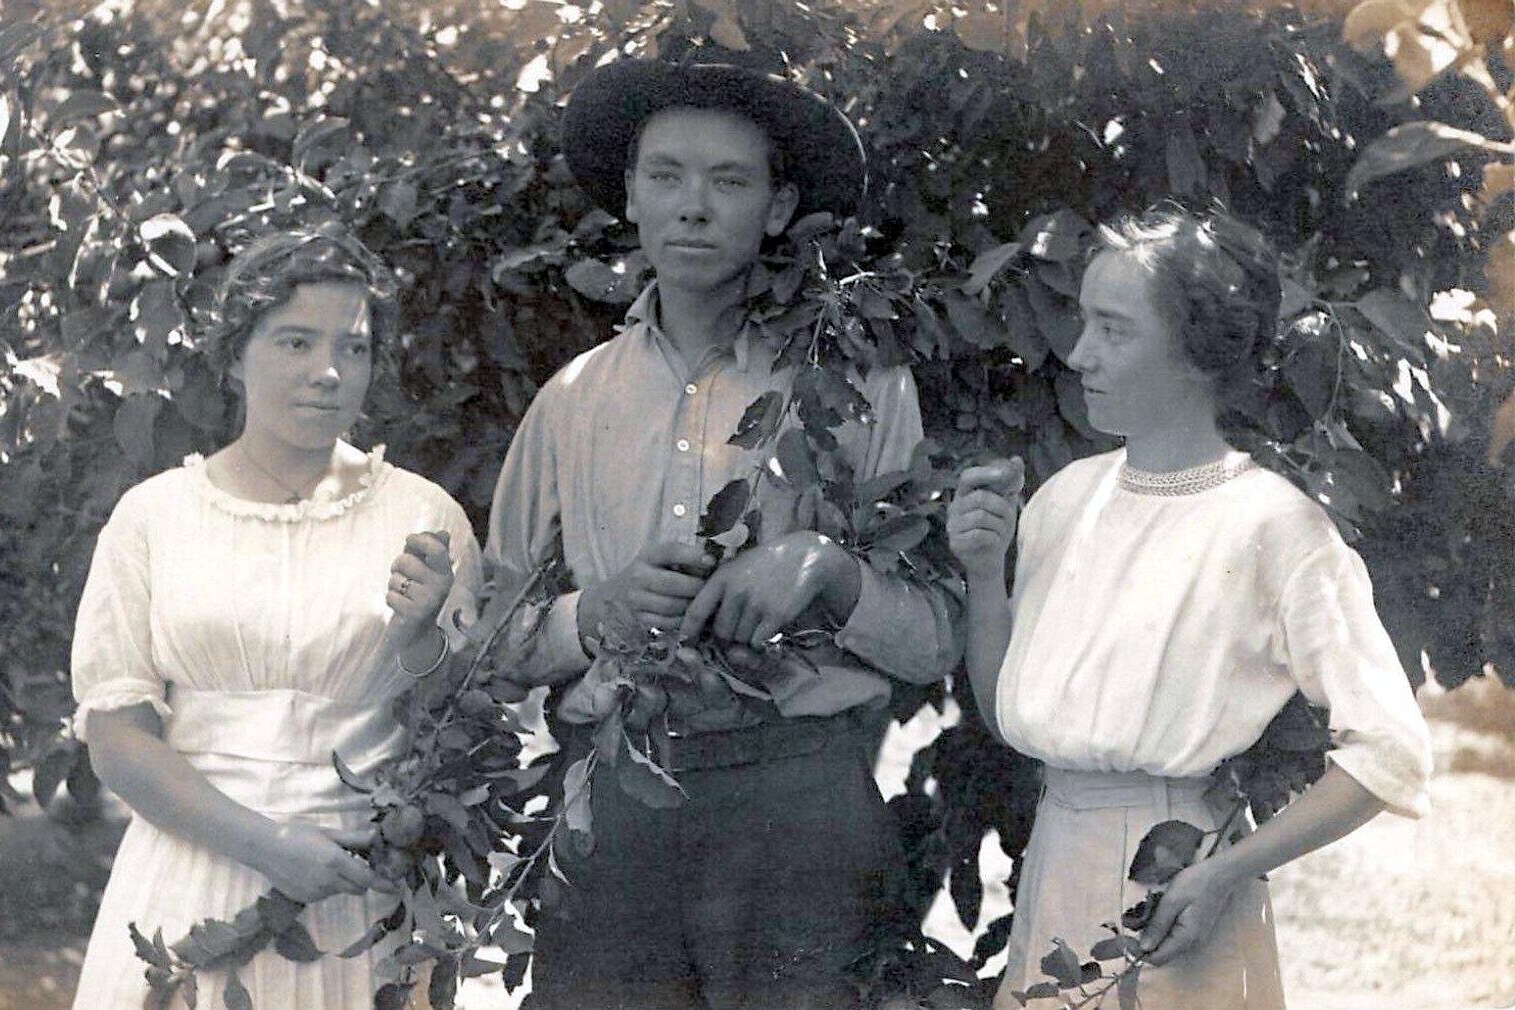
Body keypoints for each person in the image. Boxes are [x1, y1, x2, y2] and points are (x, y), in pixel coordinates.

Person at [487, 56, 962, 1009]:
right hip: (612, 812)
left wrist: (826, 569)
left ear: (780, 208)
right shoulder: (572, 403)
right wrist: (594, 615)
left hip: (799, 809)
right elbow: (485, 645)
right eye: (665, 176)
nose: (692, 207)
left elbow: (937, 637)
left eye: (729, 180)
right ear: (630, 196)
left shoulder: (860, 388)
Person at [946, 207, 1432, 1008]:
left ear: (1198, 351)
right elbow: (1013, 716)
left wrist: (1224, 875)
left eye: (1113, 330)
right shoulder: (1065, 501)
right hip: (1055, 862)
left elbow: (1389, 752)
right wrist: (980, 575)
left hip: (1180, 882)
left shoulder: (1276, 528)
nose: (1078, 354)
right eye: (1082, 323)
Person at [69, 226, 481, 1007]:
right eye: (295, 343)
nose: (327, 373)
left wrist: (424, 635)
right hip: (191, 877)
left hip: (361, 885)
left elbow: (454, 729)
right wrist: (266, 845)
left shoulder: (425, 515)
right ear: (234, 355)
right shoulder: (152, 517)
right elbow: (117, 739)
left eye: (352, 350)